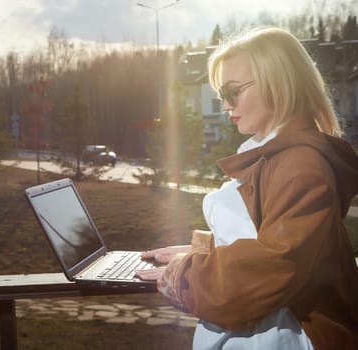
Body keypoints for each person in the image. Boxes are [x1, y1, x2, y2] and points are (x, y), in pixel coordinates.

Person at [136, 26, 358, 350]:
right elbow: (274, 237)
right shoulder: (280, 155)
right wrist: (204, 252)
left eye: (233, 91)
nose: (226, 106)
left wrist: (184, 275)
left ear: (277, 84)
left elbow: (274, 266)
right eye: (221, 95)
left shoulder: (300, 165)